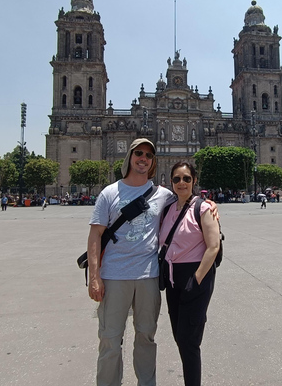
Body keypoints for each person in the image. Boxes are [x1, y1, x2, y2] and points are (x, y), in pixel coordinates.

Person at [86, 138, 178, 386]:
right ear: (129, 156)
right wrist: (94, 277)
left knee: (146, 337)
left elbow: (187, 205)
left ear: (153, 162)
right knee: (110, 339)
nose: (143, 158)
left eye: (148, 155)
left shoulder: (164, 195)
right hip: (114, 277)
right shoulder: (110, 193)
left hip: (148, 277)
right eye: (139, 153)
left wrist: (209, 206)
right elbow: (95, 235)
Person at [159, 162, 221, 386]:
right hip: (172, 281)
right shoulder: (167, 207)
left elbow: (213, 247)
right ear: (171, 182)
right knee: (180, 337)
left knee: (189, 341)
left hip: (195, 279)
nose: (181, 183)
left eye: (186, 178)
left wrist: (195, 280)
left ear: (194, 181)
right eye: (177, 179)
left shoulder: (203, 208)